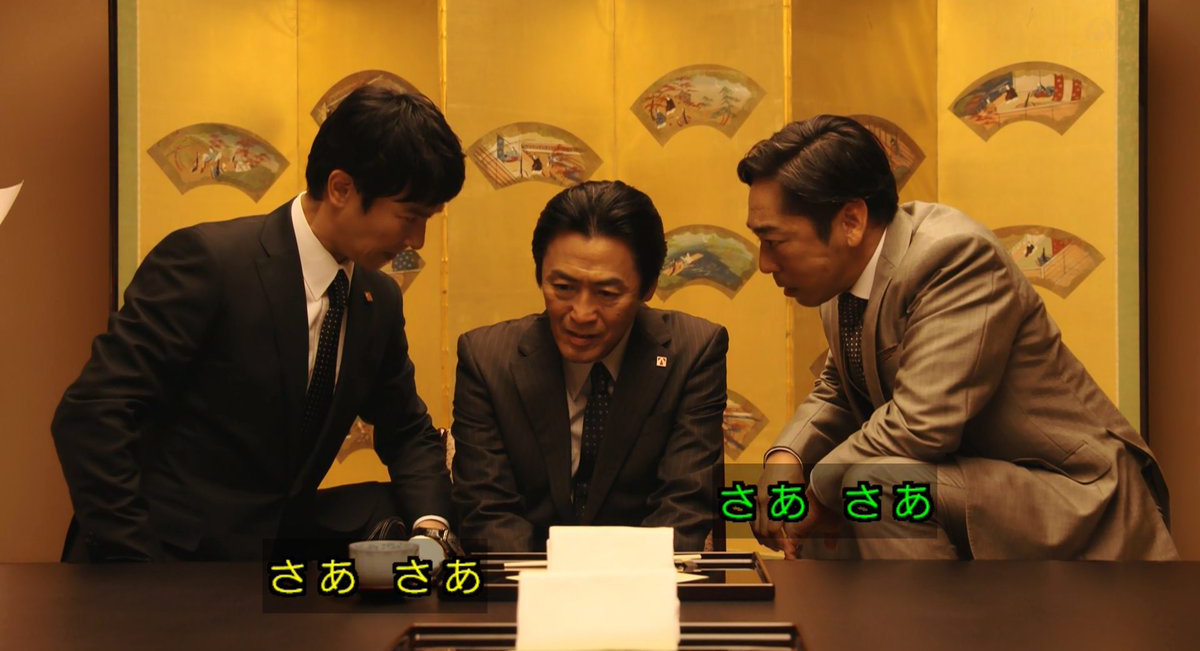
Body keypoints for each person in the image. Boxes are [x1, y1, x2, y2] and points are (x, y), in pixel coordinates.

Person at [52, 86, 465, 561]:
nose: (418, 239)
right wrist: (139, 564)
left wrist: (431, 528)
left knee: (392, 510)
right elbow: (93, 413)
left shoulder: (378, 299)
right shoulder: (209, 263)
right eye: (409, 217)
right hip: (165, 553)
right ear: (340, 189)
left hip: (267, 558)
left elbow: (407, 429)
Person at [740, 115, 1177, 560]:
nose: (764, 264)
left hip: (1073, 496)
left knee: (874, 486)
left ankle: (927, 612)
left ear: (851, 221)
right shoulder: (845, 278)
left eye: (774, 241)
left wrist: (815, 494)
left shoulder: (954, 257)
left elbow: (919, 425)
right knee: (837, 488)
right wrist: (786, 460)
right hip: (978, 484)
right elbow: (838, 391)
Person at [451, 180, 727, 552]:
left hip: (644, 578)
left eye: (607, 293)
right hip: (524, 580)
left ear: (647, 288)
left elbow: (684, 506)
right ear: (540, 276)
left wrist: (611, 585)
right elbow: (488, 513)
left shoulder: (693, 353)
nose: (581, 314)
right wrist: (550, 584)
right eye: (563, 288)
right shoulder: (487, 359)